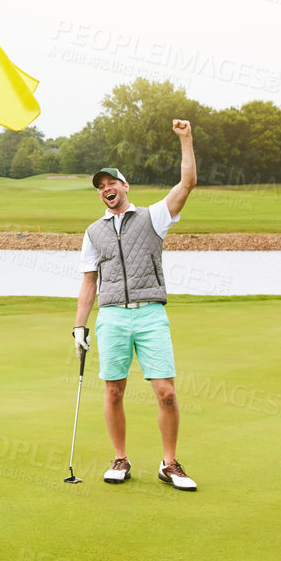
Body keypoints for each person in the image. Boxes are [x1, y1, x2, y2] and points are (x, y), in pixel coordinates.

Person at [72, 119, 199, 491]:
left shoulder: (153, 216)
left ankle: (170, 464)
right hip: (111, 316)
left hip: (150, 314)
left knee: (167, 393)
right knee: (113, 391)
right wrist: (80, 325)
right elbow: (89, 281)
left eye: (112, 182)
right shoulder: (93, 232)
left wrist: (186, 139)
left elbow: (187, 183)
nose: (106, 189)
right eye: (100, 186)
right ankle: (120, 459)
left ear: (125, 186)